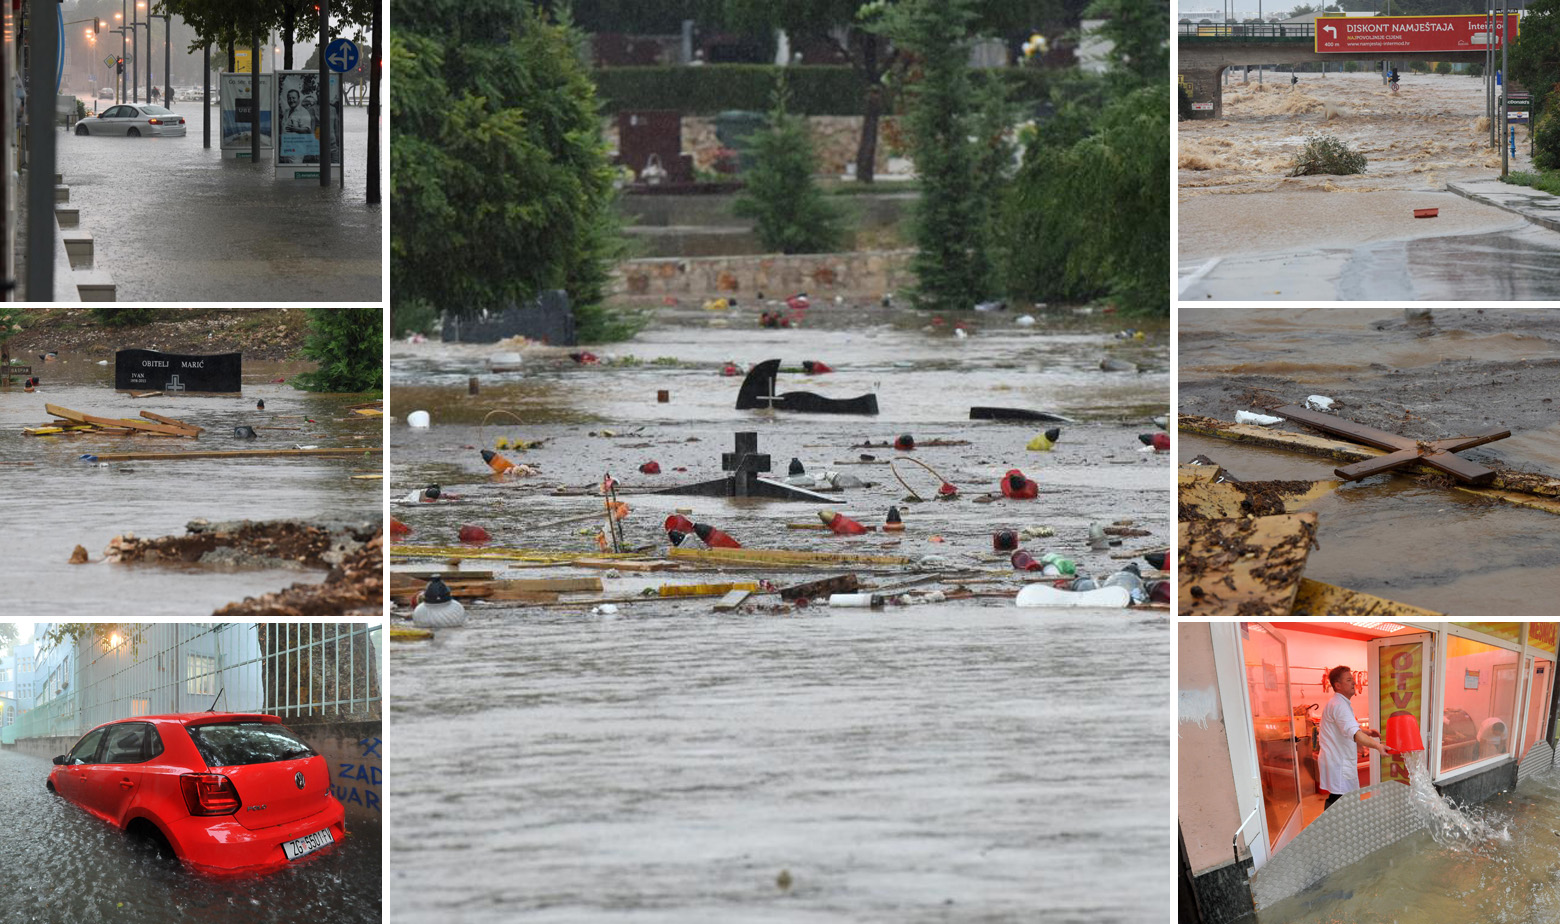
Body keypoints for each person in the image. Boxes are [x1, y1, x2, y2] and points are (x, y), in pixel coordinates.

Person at [1319, 665, 1387, 809]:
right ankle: (1335, 829)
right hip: (1339, 763)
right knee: (1342, 802)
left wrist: (1366, 731)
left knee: (1339, 798)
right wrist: (1378, 746)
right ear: (1337, 685)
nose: (1354, 683)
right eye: (1349, 680)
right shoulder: (1339, 705)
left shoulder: (1339, 703)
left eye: (1353, 680)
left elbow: (1348, 728)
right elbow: (1355, 735)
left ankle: (1334, 828)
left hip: (1337, 761)